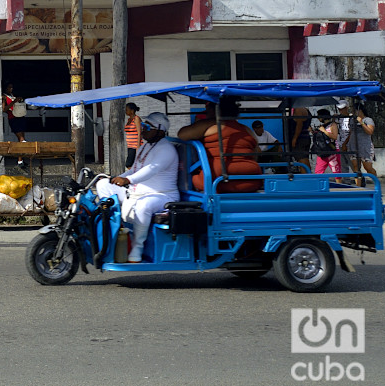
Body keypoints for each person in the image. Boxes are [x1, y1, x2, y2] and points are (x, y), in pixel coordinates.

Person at [96, 111, 179, 263]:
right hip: (138, 191)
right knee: (103, 185)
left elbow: (150, 171)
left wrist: (127, 179)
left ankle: (137, 248)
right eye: (143, 125)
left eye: (148, 126)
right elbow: (135, 169)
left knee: (143, 206)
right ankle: (116, 229)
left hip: (162, 195)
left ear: (160, 130)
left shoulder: (166, 149)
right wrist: (117, 178)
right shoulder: (145, 147)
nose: (144, 128)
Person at [178, 98, 262, 193]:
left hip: (217, 177)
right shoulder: (247, 130)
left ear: (213, 110)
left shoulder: (209, 125)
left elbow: (182, 134)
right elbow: (255, 154)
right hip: (252, 178)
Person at [347, 102, 378, 187]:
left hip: (365, 146)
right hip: (354, 145)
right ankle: (358, 187)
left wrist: (361, 123)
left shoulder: (368, 120)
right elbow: (351, 132)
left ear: (359, 110)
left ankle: (376, 183)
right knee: (356, 167)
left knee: (368, 167)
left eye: (354, 110)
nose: (352, 112)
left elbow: (370, 131)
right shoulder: (352, 120)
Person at [309, 108, 341, 176]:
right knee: (318, 170)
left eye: (319, 116)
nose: (318, 118)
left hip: (332, 150)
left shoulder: (333, 125)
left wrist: (324, 131)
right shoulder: (322, 126)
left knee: (336, 170)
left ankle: (339, 184)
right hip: (322, 150)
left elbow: (334, 137)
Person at [123, 102, 142, 169]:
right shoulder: (129, 120)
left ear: (132, 110)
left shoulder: (136, 119)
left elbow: (140, 132)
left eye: (127, 110)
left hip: (135, 145)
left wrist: (138, 145)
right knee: (132, 163)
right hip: (130, 145)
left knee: (129, 164)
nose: (125, 111)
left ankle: (135, 175)